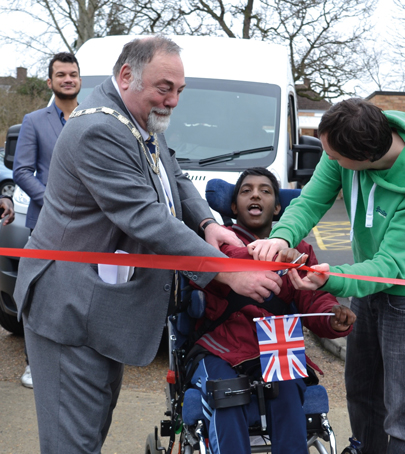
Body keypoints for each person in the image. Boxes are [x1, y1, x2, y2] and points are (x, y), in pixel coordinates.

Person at [12, 36, 283, 454]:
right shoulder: (98, 130)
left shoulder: (136, 120)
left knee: (90, 431)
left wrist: (208, 223)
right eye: (164, 88)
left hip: (99, 309)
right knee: (74, 443)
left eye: (179, 90)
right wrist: (228, 271)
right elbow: (144, 216)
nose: (173, 101)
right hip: (68, 308)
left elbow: (172, 173)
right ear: (126, 76)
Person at [248, 99, 405, 454]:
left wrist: (331, 279)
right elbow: (311, 201)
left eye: (337, 159)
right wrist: (281, 236)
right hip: (366, 282)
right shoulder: (344, 145)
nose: (331, 162)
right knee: (361, 389)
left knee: (403, 409)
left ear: (365, 159)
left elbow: (391, 267)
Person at [187, 167, 355, 453]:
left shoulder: (299, 250)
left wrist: (332, 317)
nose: (255, 194)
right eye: (246, 190)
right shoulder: (218, 242)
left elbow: (313, 299)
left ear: (278, 207)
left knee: (289, 392)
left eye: (265, 191)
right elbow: (231, 259)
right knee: (228, 392)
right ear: (233, 206)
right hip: (222, 347)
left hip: (277, 347)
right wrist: (277, 252)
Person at [13, 51, 82, 389]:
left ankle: (72, 365)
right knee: (37, 298)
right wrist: (51, 202)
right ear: (50, 81)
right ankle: (32, 364)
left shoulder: (91, 118)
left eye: (73, 74)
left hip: (87, 230)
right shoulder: (34, 121)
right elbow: (22, 170)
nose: (68, 79)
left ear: (79, 79)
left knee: (77, 298)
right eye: (61, 75)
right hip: (44, 225)